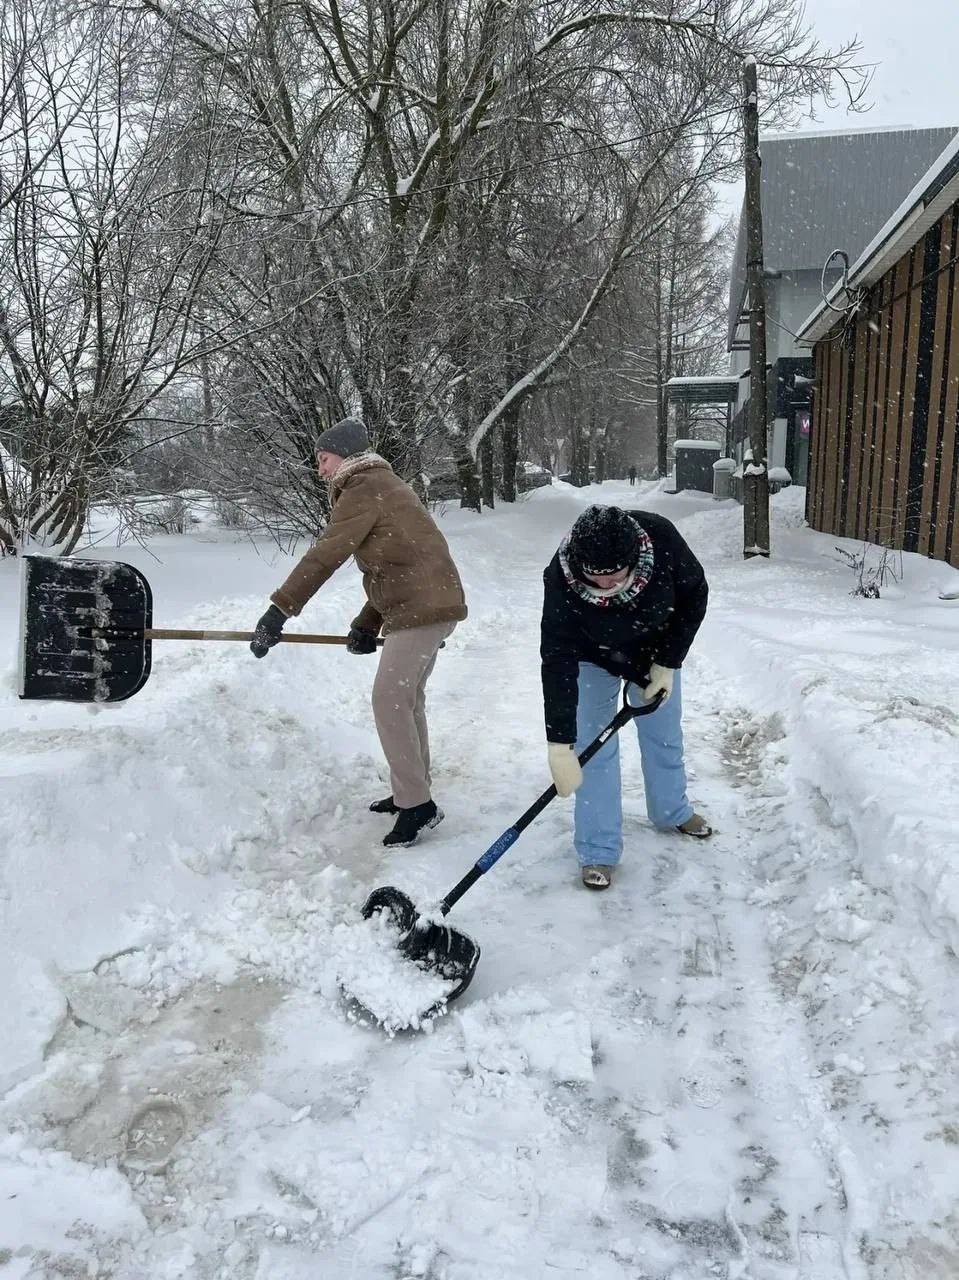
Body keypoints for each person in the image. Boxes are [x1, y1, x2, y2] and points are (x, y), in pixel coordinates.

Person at [249, 417, 467, 847]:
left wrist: (279, 610)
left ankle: (418, 805)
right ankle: (412, 792)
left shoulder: (364, 486)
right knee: (406, 700)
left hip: (422, 609)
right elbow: (398, 565)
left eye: (324, 459)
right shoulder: (382, 484)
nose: (320, 470)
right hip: (428, 602)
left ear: (345, 455)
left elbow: (325, 555)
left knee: (390, 700)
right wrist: (367, 623)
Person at [540, 504, 710, 890]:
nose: (605, 586)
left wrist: (668, 662)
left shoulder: (661, 540)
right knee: (592, 750)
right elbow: (556, 658)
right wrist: (560, 743)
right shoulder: (561, 577)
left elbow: (694, 596)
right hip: (592, 656)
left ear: (633, 559)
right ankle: (597, 848)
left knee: (664, 735)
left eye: (614, 576)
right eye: (595, 578)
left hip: (654, 652)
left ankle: (671, 810)